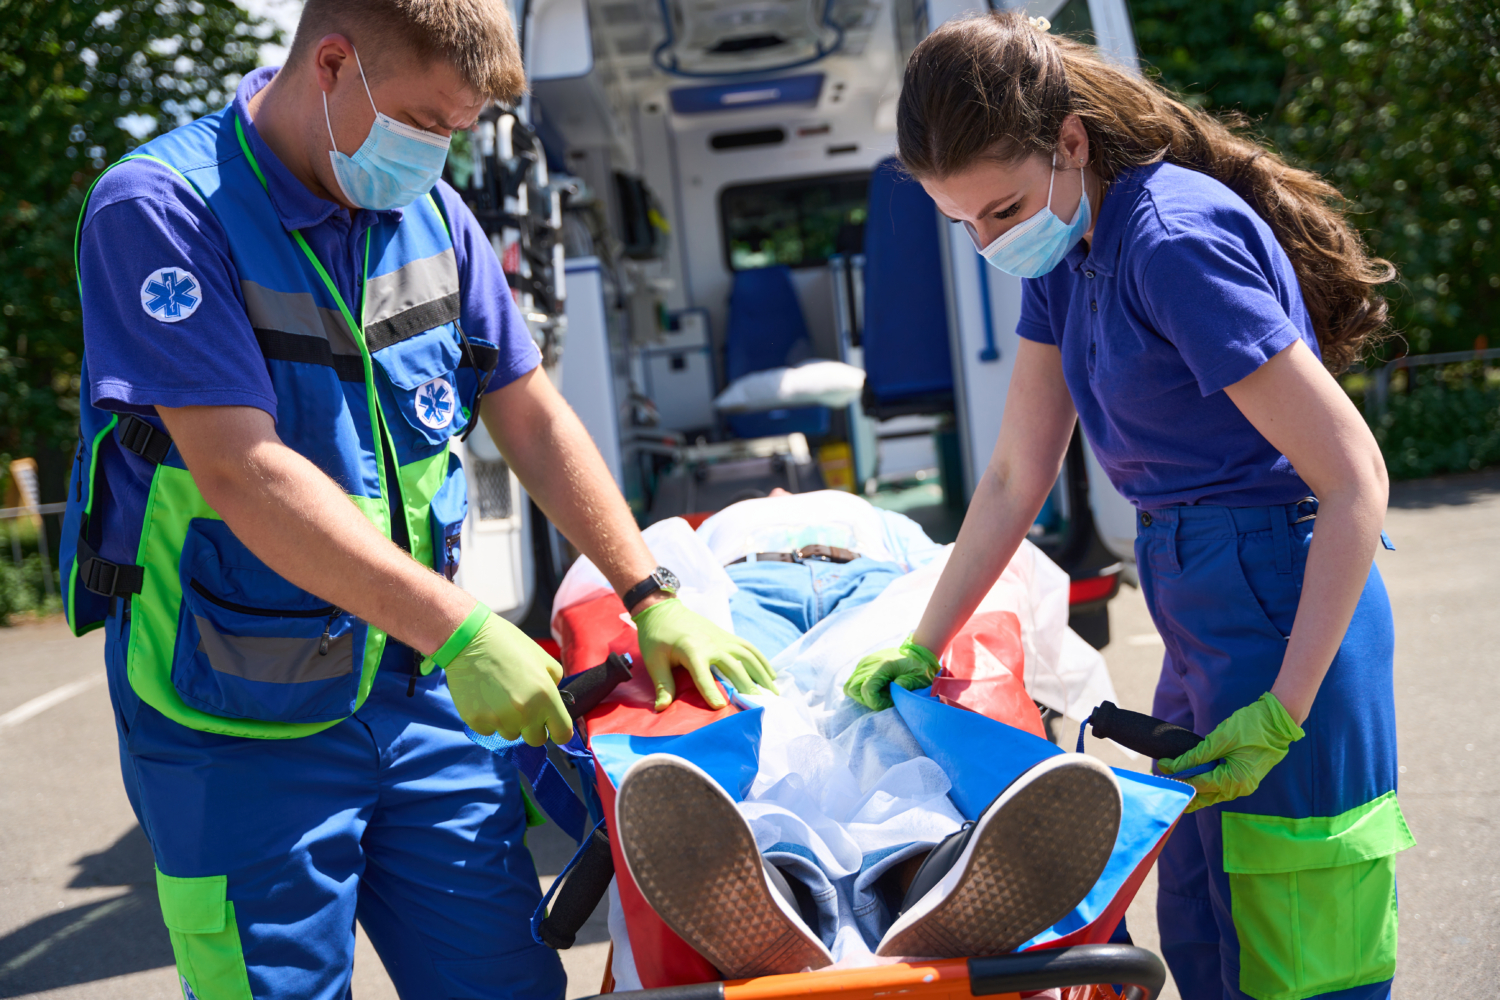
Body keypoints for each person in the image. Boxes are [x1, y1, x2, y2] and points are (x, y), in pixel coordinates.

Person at [63, 2, 772, 997]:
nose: (437, 152)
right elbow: (240, 469)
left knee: (505, 984)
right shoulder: (163, 210)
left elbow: (531, 417)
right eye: (425, 122)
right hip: (233, 709)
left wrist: (647, 591)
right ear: (332, 63)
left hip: (414, 686)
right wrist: (464, 630)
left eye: (458, 129)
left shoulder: (433, 217)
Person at [847, 12, 1413, 1000]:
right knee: (1204, 921)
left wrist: (1285, 709)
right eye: (964, 223)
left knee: (1302, 951)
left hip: (1287, 601)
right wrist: (923, 642)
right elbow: (1016, 475)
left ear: (1069, 142)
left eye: (1001, 210)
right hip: (1201, 603)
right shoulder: (1065, 250)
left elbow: (1354, 476)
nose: (990, 241)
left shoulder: (1170, 243)